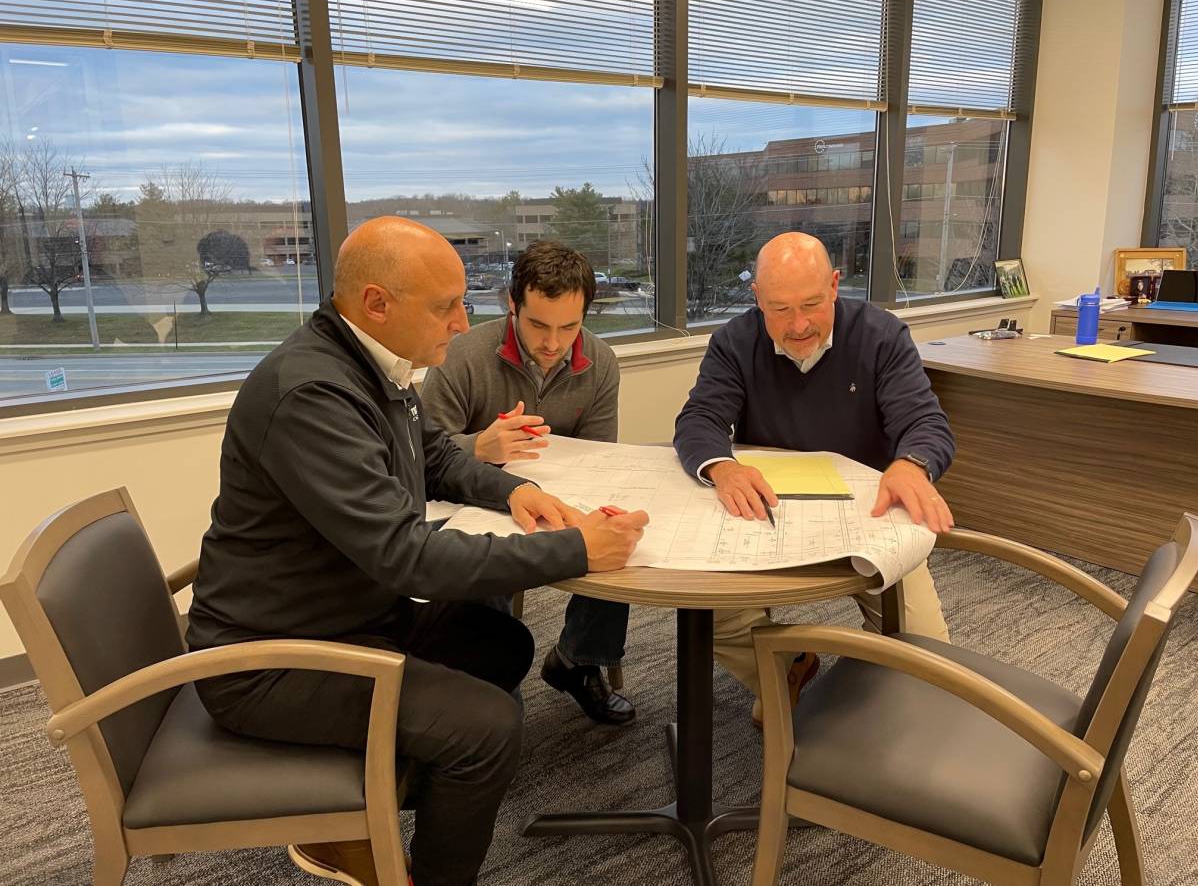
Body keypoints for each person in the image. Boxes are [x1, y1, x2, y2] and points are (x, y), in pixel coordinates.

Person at [186, 217, 648, 886]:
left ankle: (357, 818)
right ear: (378, 303)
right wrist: (576, 551)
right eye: (445, 306)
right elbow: (407, 558)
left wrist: (516, 494)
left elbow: (433, 455)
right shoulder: (312, 393)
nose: (462, 322)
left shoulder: (373, 363)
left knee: (502, 644)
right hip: (270, 661)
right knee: (488, 730)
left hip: (344, 615)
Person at [673, 231, 955, 727]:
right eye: (779, 309)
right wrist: (723, 465)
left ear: (834, 285)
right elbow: (699, 421)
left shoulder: (881, 335)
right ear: (757, 298)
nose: (798, 324)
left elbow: (926, 423)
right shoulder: (734, 342)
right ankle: (786, 671)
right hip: (770, 516)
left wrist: (911, 463)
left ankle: (873, 719)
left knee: (929, 660)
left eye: (811, 303)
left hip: (868, 517)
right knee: (708, 618)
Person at [421, 240, 634, 726]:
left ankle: (579, 661)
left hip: (557, 496)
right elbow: (419, 453)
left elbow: (600, 456)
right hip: (469, 500)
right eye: (538, 325)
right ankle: (493, 686)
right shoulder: (463, 354)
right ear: (512, 305)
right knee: (479, 558)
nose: (553, 343)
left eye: (570, 326)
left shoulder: (600, 361)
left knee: (615, 536)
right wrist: (480, 448)